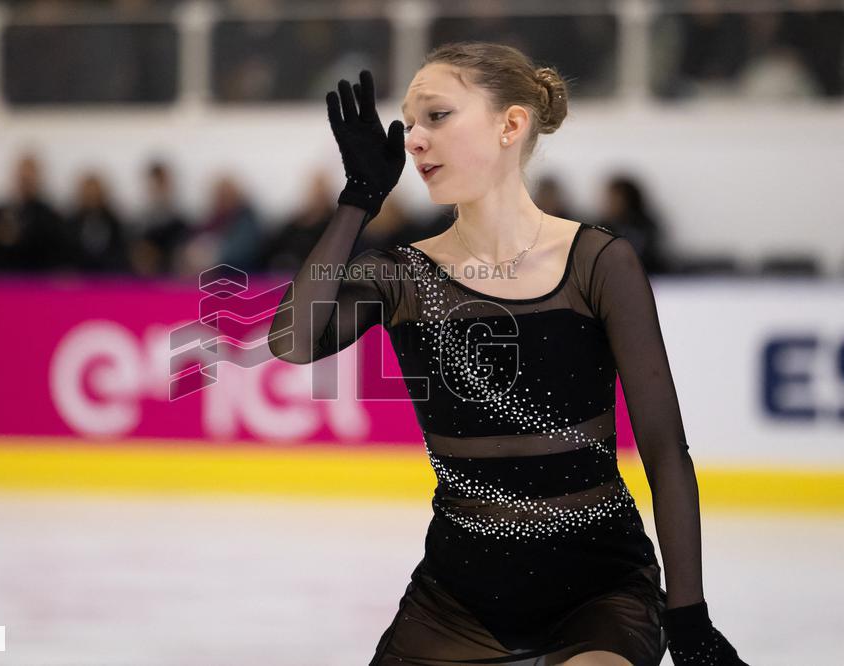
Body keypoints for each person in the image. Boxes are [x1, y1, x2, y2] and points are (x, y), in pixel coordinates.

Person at [267, 42, 748, 666]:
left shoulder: (598, 262)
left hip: (602, 591)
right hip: (456, 600)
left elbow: (663, 447)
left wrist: (689, 616)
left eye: (437, 116)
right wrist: (357, 198)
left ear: (511, 124)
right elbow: (293, 341)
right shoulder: (401, 274)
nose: (414, 140)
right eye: (409, 124)